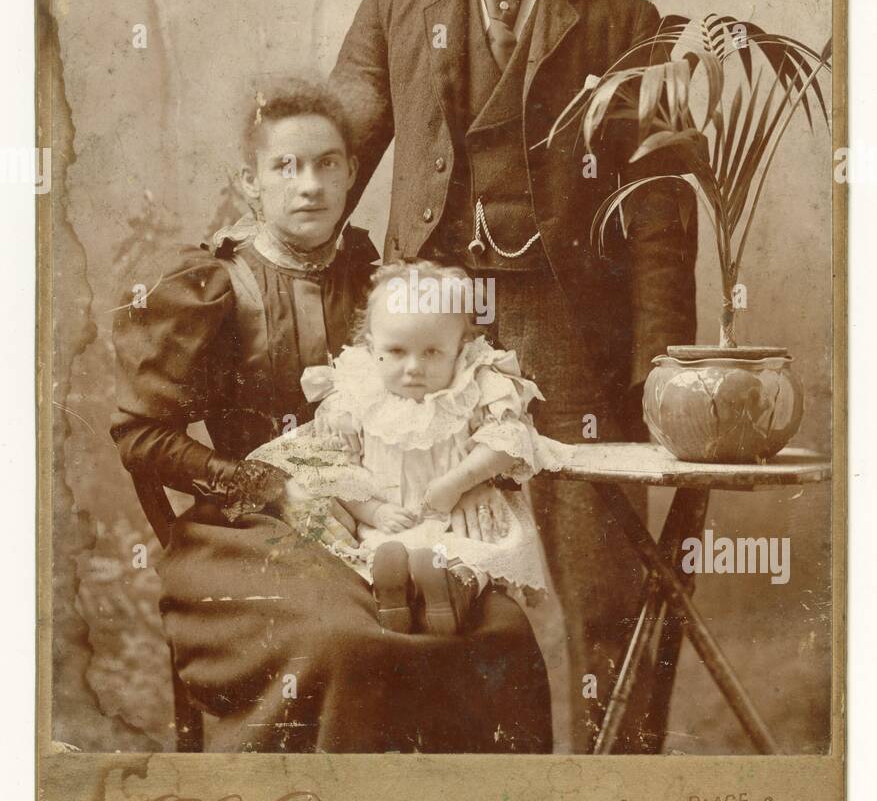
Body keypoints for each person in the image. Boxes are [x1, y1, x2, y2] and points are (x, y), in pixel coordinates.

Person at [330, 0, 698, 751]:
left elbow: (660, 215)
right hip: (430, 342)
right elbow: (323, 165)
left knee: (598, 586)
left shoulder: (627, 21)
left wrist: (659, 364)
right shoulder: (393, 12)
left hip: (569, 330)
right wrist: (241, 244)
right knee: (424, 570)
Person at [111, 81, 552, 753]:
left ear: (350, 171)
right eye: (285, 167)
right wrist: (268, 487)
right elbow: (140, 436)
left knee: (503, 633)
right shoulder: (218, 286)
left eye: (325, 163)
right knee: (348, 641)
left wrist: (474, 459)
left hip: (391, 512)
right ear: (250, 182)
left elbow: (453, 377)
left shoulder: (378, 281)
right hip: (249, 532)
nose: (308, 185)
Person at [250, 259, 573, 636]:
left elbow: (510, 442)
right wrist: (373, 510)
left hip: (461, 523)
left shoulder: (474, 384)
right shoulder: (356, 396)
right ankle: (394, 596)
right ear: (372, 348)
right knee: (380, 556)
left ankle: (452, 592)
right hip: (389, 526)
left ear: (460, 348)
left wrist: (458, 481)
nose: (414, 367)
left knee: (474, 560)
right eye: (397, 351)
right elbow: (334, 470)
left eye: (433, 352)